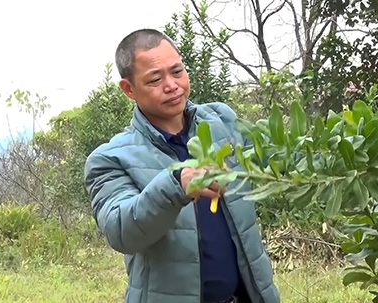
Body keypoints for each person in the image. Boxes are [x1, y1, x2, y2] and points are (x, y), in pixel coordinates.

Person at [84, 28, 280, 303]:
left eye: (177, 72)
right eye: (155, 79)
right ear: (129, 89)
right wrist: (177, 184)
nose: (172, 85)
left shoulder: (222, 121)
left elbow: (276, 161)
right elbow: (121, 230)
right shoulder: (111, 158)